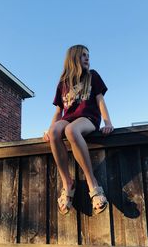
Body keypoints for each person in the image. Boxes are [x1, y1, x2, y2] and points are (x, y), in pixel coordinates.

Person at [43, 45, 114, 215]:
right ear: (73, 57)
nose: (87, 58)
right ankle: (67, 183)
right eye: (83, 55)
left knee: (71, 131)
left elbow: (100, 100)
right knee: (54, 132)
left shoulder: (92, 76)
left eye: (88, 55)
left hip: (88, 118)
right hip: (68, 119)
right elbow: (59, 111)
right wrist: (49, 129)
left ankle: (93, 183)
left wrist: (108, 122)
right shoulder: (63, 83)